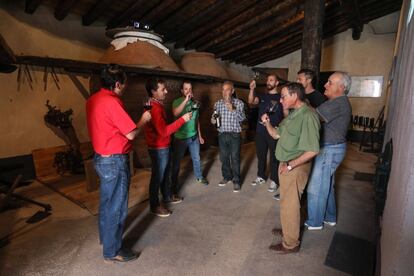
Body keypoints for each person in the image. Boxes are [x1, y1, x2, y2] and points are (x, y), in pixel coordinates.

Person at [86, 64, 151, 262]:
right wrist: (144, 119)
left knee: (106, 203)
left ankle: (106, 240)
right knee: (117, 207)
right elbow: (131, 133)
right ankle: (112, 251)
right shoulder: (112, 102)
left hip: (100, 157)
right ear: (116, 84)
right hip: (114, 160)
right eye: (124, 85)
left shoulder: (92, 100)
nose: (124, 88)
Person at [262, 82, 320, 254]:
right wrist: (267, 123)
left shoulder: (309, 116)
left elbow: (312, 150)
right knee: (288, 203)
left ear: (295, 96)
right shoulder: (294, 114)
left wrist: (289, 165)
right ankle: (289, 231)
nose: (280, 100)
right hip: (286, 165)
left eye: (283, 96)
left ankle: (290, 243)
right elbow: (276, 133)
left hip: (295, 166)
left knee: (291, 205)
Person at [305, 71, 352, 230]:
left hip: (329, 149)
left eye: (330, 82)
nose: (325, 85)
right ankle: (329, 217)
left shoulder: (337, 103)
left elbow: (313, 117)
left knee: (316, 187)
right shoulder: (337, 101)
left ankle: (315, 222)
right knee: (327, 185)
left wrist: (300, 101)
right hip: (334, 148)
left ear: (341, 87)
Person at [144, 78, 192, 218]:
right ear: (153, 91)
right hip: (158, 148)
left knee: (165, 174)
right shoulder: (154, 108)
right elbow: (164, 131)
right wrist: (182, 120)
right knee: (157, 177)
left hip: (163, 146)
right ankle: (154, 205)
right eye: (162, 89)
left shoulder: (156, 104)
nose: (166, 91)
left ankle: (167, 196)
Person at [171, 81, 209, 196]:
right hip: (180, 138)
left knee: (196, 158)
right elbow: (175, 113)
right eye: (186, 89)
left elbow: (197, 120)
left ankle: (199, 177)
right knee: (176, 163)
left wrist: (200, 135)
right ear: (182, 91)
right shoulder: (177, 102)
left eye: (190, 89)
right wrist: (186, 101)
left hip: (193, 137)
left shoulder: (196, 103)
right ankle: (174, 184)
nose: (189, 91)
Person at [248, 74, 284, 196]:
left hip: (274, 131)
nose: (268, 82)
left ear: (277, 83)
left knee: (274, 157)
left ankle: (274, 180)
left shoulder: (281, 97)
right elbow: (251, 101)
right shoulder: (262, 96)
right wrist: (252, 89)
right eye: (267, 80)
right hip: (260, 131)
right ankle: (261, 176)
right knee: (261, 155)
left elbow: (286, 113)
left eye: (271, 80)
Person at [211, 81, 246, 192]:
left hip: (235, 134)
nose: (225, 92)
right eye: (223, 89)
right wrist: (212, 119)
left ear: (232, 91)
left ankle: (236, 180)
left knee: (235, 158)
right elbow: (215, 119)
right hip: (222, 134)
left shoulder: (239, 103)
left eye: (228, 89)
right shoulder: (218, 104)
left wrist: (233, 109)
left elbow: (242, 119)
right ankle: (227, 177)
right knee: (224, 157)